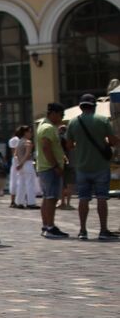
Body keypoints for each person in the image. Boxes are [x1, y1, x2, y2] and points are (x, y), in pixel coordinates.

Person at [64, 94, 117, 240]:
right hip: (100, 165)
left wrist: (80, 145)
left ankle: (82, 231)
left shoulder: (73, 122)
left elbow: (68, 145)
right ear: (94, 106)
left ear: (81, 106)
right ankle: (103, 230)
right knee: (102, 198)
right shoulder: (102, 120)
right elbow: (113, 141)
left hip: (82, 166)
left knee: (83, 198)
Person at [35, 103, 71, 239]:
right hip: (50, 168)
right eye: (61, 115)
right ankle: (50, 227)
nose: (62, 118)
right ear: (53, 113)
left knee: (47, 197)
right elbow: (46, 147)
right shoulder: (49, 128)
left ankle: (46, 225)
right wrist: (56, 166)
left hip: (44, 167)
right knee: (51, 198)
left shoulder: (43, 126)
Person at [10, 125, 37, 209]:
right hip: (27, 164)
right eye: (29, 132)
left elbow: (16, 154)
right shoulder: (28, 142)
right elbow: (27, 154)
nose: (31, 133)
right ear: (25, 133)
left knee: (21, 183)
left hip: (20, 165)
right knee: (30, 183)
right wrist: (22, 163)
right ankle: (31, 202)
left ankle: (19, 202)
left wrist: (19, 164)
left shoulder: (19, 142)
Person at [7, 129, 23, 208]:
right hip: (19, 159)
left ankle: (13, 200)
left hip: (14, 160)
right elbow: (15, 151)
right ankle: (21, 200)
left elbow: (12, 151)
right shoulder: (20, 140)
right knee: (21, 180)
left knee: (13, 180)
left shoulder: (12, 140)